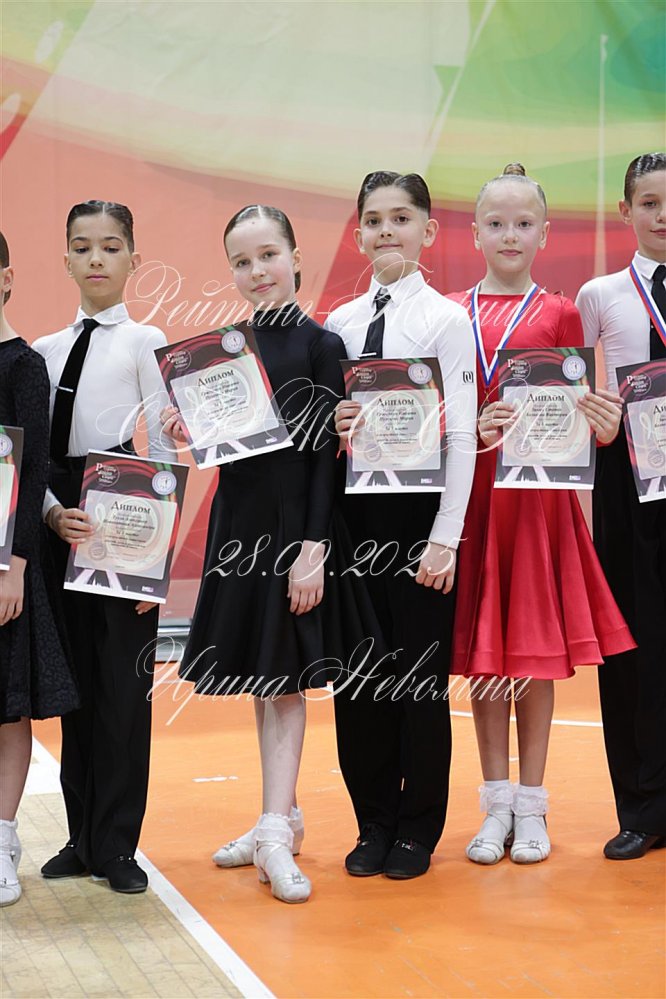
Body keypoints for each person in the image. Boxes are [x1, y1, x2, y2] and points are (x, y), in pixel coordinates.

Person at [163, 204, 376, 904]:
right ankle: (278, 818)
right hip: (240, 525)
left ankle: (276, 834)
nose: (257, 271)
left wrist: (313, 546)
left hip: (294, 529)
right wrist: (184, 424)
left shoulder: (321, 344)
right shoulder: (222, 353)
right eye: (242, 261)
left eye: (268, 255)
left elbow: (323, 457)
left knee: (286, 682)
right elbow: (224, 446)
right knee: (264, 676)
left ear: (294, 257)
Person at [449, 163, 635, 865]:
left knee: (529, 652)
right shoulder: (450, 310)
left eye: (523, 223)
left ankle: (532, 805)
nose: (510, 234)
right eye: (496, 223)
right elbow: (437, 413)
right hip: (475, 500)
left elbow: (588, 417)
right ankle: (494, 803)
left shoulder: (561, 314)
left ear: (544, 233)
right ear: (474, 232)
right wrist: (471, 421)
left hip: (537, 507)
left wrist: (602, 423)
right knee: (485, 656)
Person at [329, 171, 478, 879]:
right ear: (359, 232)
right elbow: (323, 432)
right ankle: (372, 822)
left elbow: (463, 433)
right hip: (353, 520)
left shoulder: (447, 321)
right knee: (358, 679)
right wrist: (333, 419)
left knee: (418, 681)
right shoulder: (339, 324)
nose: (386, 230)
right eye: (374, 219)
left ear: (428, 230)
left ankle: (417, 827)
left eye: (401, 217)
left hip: (420, 522)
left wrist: (446, 536)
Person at [35, 201, 174, 893]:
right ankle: (79, 837)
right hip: (58, 521)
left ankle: (118, 845)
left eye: (111, 246)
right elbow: (27, 454)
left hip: (126, 516)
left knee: (123, 688)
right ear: (65, 258)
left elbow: (167, 447)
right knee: (75, 692)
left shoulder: (146, 340)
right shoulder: (42, 351)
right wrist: (51, 512)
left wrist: (155, 561)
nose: (96, 258)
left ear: (133, 260)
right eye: (83, 246)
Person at [576, 152, 666, 860]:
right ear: (626, 210)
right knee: (634, 642)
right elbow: (570, 391)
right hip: (629, 479)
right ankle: (642, 806)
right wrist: (598, 422)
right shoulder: (600, 293)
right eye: (650, 202)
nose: (662, 214)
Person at [0, 232, 79, 906]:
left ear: (6, 278)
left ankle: (3, 842)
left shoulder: (24, 365)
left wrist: (14, 566)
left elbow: (29, 473)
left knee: (9, 706)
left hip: (4, 562)